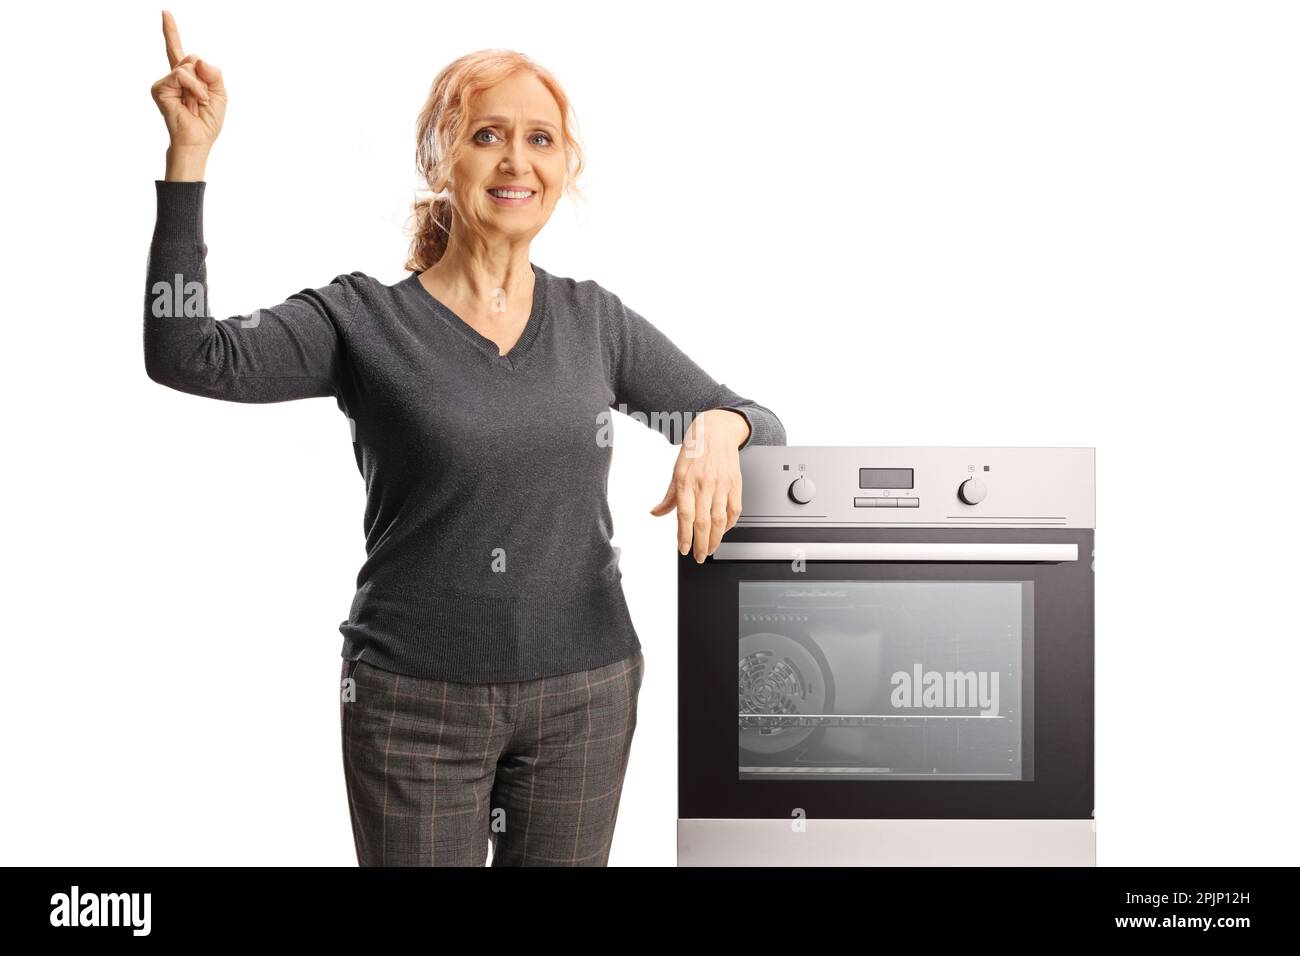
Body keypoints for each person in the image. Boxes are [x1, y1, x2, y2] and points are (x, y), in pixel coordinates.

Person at [145, 10, 786, 866]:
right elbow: (188, 353)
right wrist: (189, 160)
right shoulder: (362, 321)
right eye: (488, 135)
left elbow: (759, 422)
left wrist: (715, 426)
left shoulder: (594, 323)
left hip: (585, 698)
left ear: (565, 168)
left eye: (540, 139)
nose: (516, 160)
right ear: (440, 159)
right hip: (411, 705)